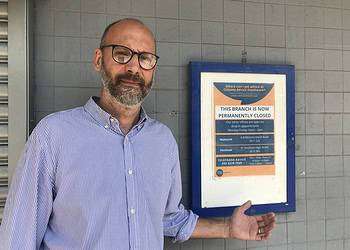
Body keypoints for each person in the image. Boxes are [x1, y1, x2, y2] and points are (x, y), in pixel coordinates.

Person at [0, 18, 275, 249]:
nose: (133, 67)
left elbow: (168, 218)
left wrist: (228, 227)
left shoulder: (162, 141)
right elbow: (18, 237)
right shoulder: (54, 135)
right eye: (122, 54)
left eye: (145, 58)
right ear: (98, 59)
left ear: (153, 69)